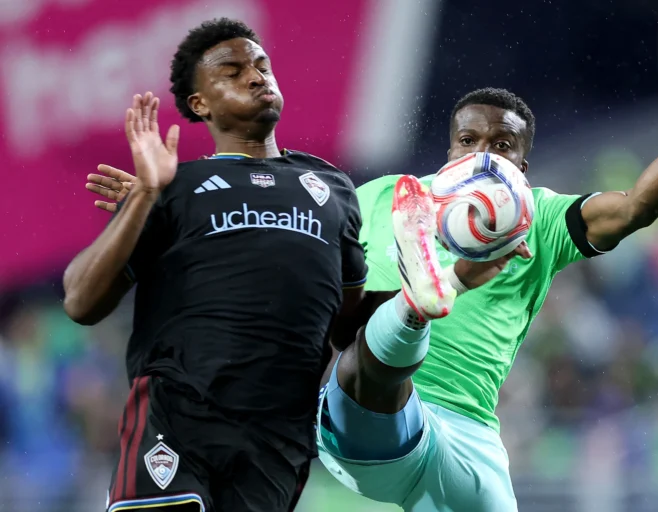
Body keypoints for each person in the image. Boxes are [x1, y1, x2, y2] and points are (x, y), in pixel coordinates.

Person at [85, 85, 658, 509]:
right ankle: (422, 301)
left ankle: (421, 301)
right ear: (450, 147)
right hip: (373, 417)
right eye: (471, 141)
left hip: (472, 438)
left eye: (502, 146)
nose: (484, 156)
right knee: (365, 358)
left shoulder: (540, 216)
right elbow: (285, 263)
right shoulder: (378, 196)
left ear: (525, 165)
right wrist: (170, 206)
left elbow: (634, 209)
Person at [70, 17, 515, 512]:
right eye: (232, 72)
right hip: (178, 420)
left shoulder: (333, 192)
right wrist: (147, 195)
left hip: (277, 438)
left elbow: (346, 324)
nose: (257, 77)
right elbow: (81, 300)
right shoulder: (176, 189)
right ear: (200, 104)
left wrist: (449, 281)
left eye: (262, 65)